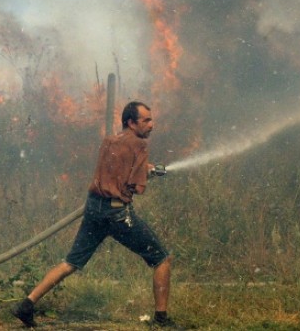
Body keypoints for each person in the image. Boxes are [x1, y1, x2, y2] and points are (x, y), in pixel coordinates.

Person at [12, 101, 181, 329]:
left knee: (70, 262)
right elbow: (137, 186)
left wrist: (148, 168)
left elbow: (118, 165)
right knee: (162, 259)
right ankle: (161, 320)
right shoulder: (140, 145)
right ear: (131, 123)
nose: (152, 124)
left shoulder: (109, 140)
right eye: (146, 120)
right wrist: (147, 175)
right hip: (117, 214)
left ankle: (26, 304)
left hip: (94, 209)